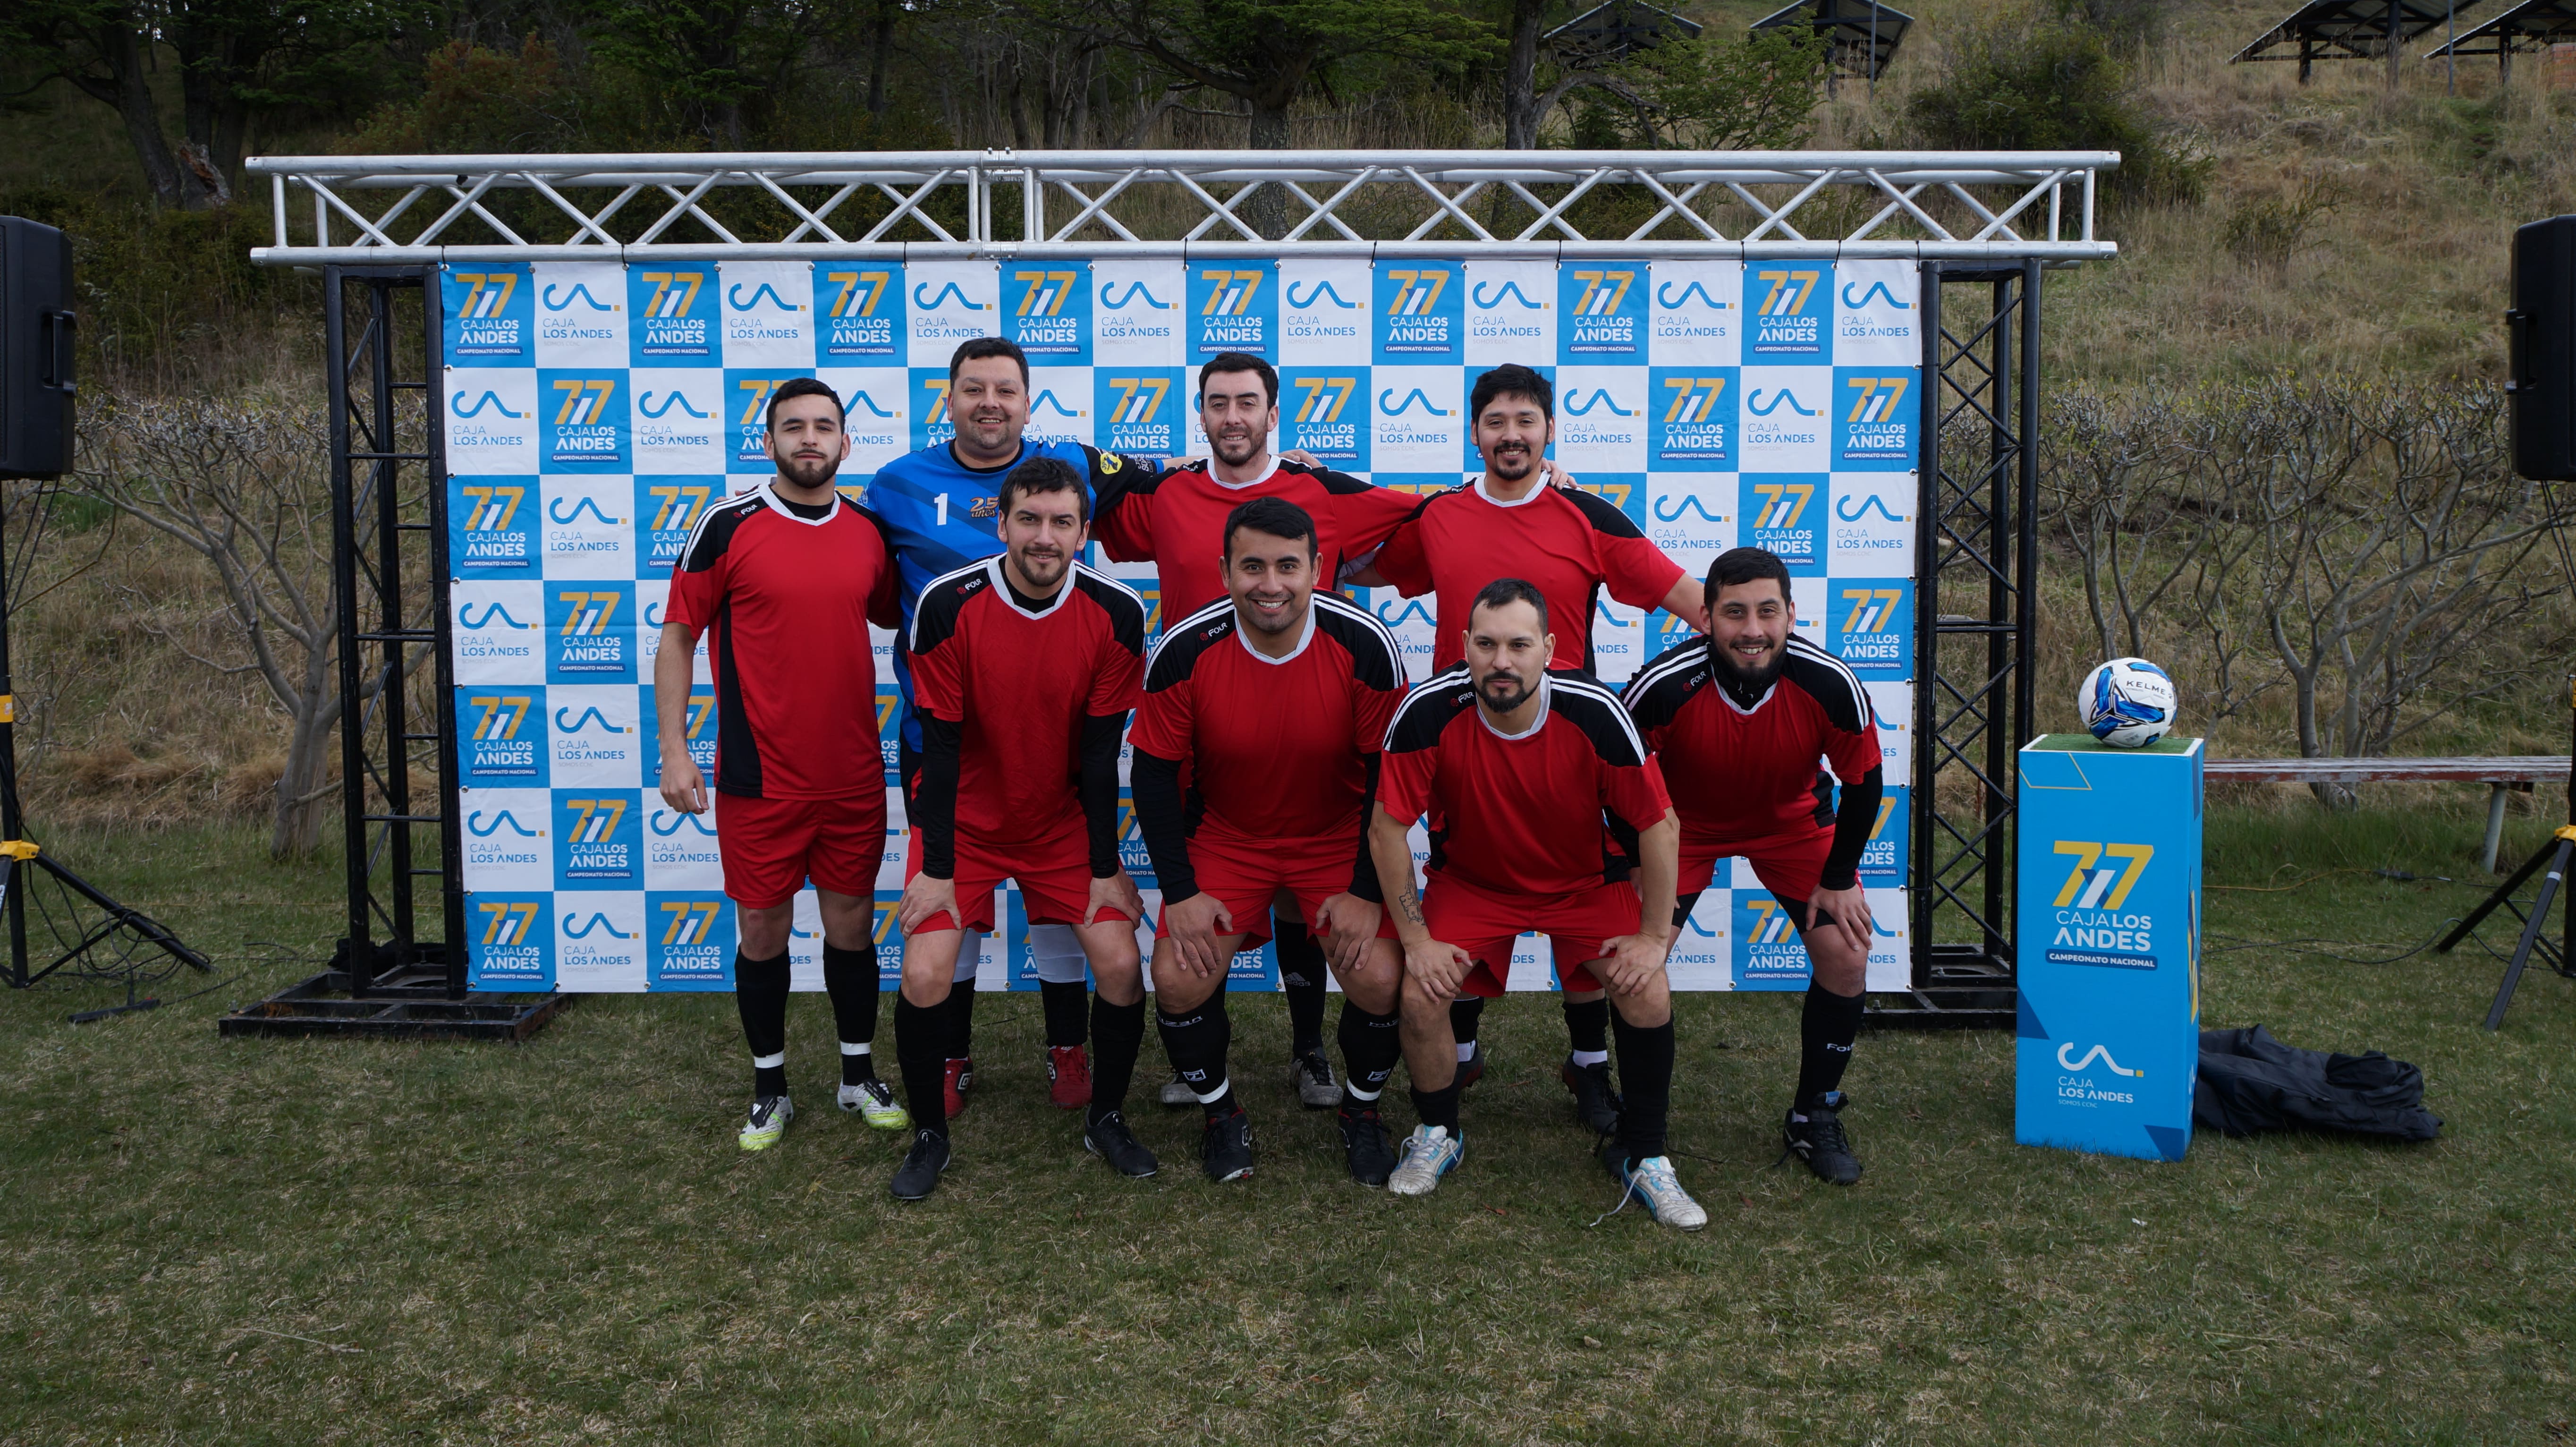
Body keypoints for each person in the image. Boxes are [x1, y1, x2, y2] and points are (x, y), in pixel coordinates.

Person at [1356, 363, 1710, 1127]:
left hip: (1569, 753)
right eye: (1496, 421)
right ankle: (1460, 1053)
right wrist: (1302, 484)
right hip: (1467, 748)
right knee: (1471, 884)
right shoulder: (1440, 515)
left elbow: (1693, 603)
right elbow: (1358, 560)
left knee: (1581, 900)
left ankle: (1588, 1066)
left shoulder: (1588, 514)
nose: (1511, 435)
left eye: (1526, 421)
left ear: (1550, 431)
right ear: (1474, 432)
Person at [1093, 351, 1422, 1111]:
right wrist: (1146, 467)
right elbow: (1079, 495)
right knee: (1198, 933)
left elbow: (1434, 518)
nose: (1233, 417)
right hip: (1200, 736)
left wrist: (1547, 483)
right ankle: (1205, 1066)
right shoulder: (1167, 492)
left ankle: (1310, 1049)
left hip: (1313, 738)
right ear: (1201, 414)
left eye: (1248, 403)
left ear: (1274, 415)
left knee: (1308, 906)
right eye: (1219, 403)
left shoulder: (1322, 490)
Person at [870, 336, 1164, 1120]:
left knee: (1081, 931)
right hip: (950, 761)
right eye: (973, 388)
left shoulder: (1074, 474)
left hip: (1055, 779)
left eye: (1006, 389)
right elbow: (858, 567)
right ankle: (948, 1064)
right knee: (943, 940)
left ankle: (1073, 1057)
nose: (990, 402)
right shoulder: (897, 487)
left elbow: (1170, 478)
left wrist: (1285, 469)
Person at [1367, 580, 1706, 1230]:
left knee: (1647, 990)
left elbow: (1660, 827)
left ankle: (1646, 1154)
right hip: (1474, 885)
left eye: (1519, 645)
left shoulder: (1596, 711)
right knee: (1420, 992)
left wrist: (1652, 938)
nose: (1502, 661)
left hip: (1584, 885)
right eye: (1487, 644)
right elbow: (1387, 829)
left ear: (1549, 649)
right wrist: (1416, 940)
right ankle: (1438, 1132)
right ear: (1464, 646)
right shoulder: (1426, 711)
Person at [1127, 496, 1412, 1185]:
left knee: (1380, 980)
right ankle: (1222, 1115)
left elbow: (1388, 777)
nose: (1271, 583)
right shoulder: (1185, 648)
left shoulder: (1364, 642)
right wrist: (1180, 893)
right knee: (1176, 978)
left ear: (1318, 569)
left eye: (1288, 566)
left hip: (1336, 835)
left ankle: (1362, 1112)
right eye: (1252, 566)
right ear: (1224, 572)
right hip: (1230, 835)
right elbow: (1154, 776)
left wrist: (1365, 889)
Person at [656, 376, 907, 1149]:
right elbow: (678, 637)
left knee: (852, 928)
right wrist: (674, 750)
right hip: (758, 777)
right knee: (762, 931)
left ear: (845, 443)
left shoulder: (868, 532)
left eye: (823, 427)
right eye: (793, 427)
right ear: (768, 442)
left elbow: (900, 613)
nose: (809, 439)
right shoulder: (726, 525)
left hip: (852, 774)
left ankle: (857, 1076)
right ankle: (770, 1088)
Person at [1622, 547, 1883, 1186]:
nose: (1753, 629)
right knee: (1636, 968)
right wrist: (1634, 860)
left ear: (1792, 614)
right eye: (1734, 612)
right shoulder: (1661, 687)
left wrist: (1840, 878)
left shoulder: (1831, 683)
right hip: (1681, 832)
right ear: (1705, 617)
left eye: (1768, 611)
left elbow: (1866, 783)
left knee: (1847, 954)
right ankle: (1641, 1128)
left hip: (1792, 829)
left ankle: (1814, 1114)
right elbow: (1616, 781)